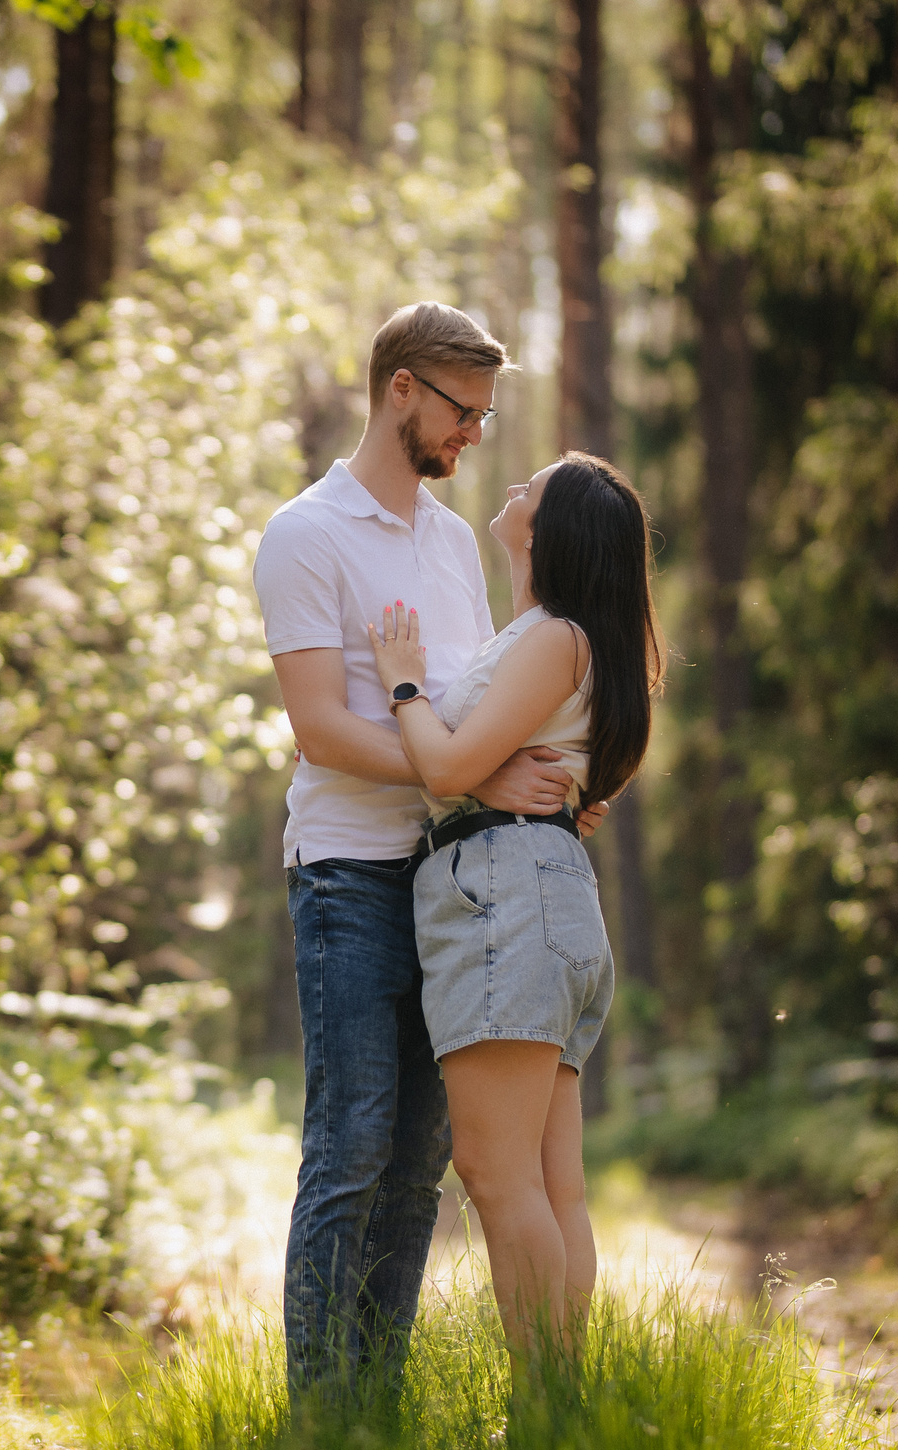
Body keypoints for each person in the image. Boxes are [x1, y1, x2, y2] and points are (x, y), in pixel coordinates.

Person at [254, 302, 601, 1391]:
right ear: (400, 388)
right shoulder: (303, 533)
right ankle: (321, 1433)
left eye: (486, 417)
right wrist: (465, 771)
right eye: (462, 411)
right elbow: (318, 726)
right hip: (350, 877)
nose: (473, 437)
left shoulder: (455, 543)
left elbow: (485, 700)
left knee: (416, 1167)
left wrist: (539, 782)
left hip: (460, 886)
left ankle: (376, 1409)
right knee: (352, 1148)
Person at [366, 452, 661, 1363]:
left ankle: (544, 1411)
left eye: (530, 487)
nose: (511, 490)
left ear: (553, 527)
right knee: (550, 1182)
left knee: (498, 1177)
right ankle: (562, 1414)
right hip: (547, 894)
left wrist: (405, 682)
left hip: (506, 897)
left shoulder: (554, 639)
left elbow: (450, 769)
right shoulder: (572, 643)